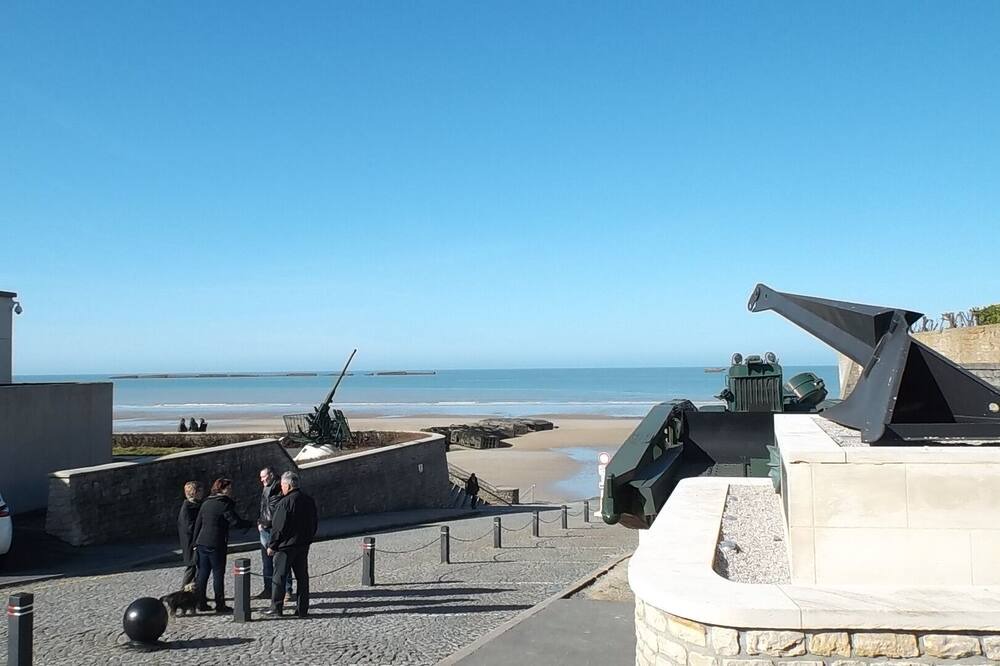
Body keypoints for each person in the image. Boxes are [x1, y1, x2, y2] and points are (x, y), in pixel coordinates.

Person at [192, 478, 252, 613]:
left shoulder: (206, 502)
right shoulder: (224, 504)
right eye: (229, 488)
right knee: (218, 574)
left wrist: (195, 542)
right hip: (216, 543)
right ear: (222, 489)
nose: (231, 491)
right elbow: (235, 522)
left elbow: (198, 523)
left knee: (202, 574)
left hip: (202, 542)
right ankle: (220, 604)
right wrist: (249, 523)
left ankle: (200, 603)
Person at [264, 471, 317, 618]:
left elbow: (278, 527)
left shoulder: (285, 502)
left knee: (279, 577)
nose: (281, 488)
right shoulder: (308, 500)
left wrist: (272, 545)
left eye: (282, 485)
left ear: (288, 485)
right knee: (302, 578)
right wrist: (308, 538)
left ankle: (276, 608)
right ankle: (302, 609)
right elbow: (314, 523)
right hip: (302, 544)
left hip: (286, 547)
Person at [256, 467, 293, 600]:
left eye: (264, 477)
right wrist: (259, 522)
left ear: (271, 475)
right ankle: (268, 589)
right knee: (267, 562)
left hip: (275, 529)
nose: (262, 480)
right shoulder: (266, 488)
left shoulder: (279, 488)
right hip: (264, 528)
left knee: (282, 560)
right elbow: (263, 508)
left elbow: (278, 511)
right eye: (261, 477)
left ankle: (287, 590)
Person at [177, 481, 204, 588]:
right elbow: (189, 527)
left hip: (195, 541)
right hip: (191, 542)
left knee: (197, 568)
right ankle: (183, 591)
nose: (202, 493)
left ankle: (195, 591)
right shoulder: (188, 508)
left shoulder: (195, 505)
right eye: (200, 491)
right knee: (192, 567)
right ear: (194, 492)